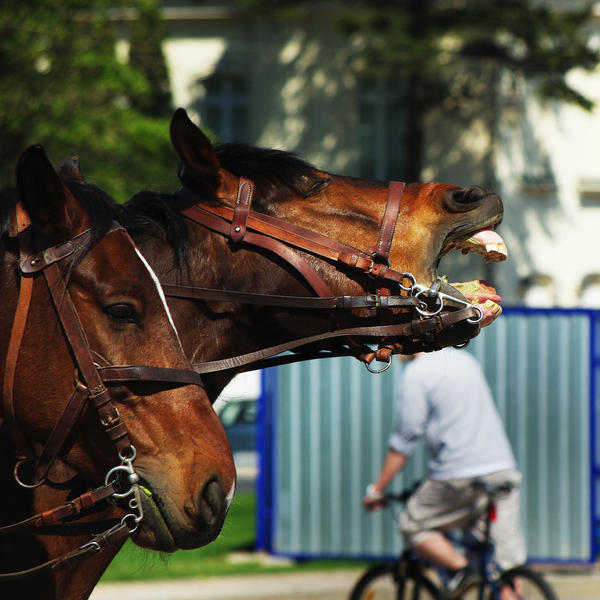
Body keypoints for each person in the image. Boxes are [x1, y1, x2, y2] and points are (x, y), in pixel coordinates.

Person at [363, 347, 526, 595]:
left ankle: (462, 569)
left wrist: (377, 489)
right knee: (504, 567)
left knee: (411, 524)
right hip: (501, 469)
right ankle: (496, 580)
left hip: (458, 472)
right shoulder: (465, 360)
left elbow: (404, 441)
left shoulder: (417, 374)